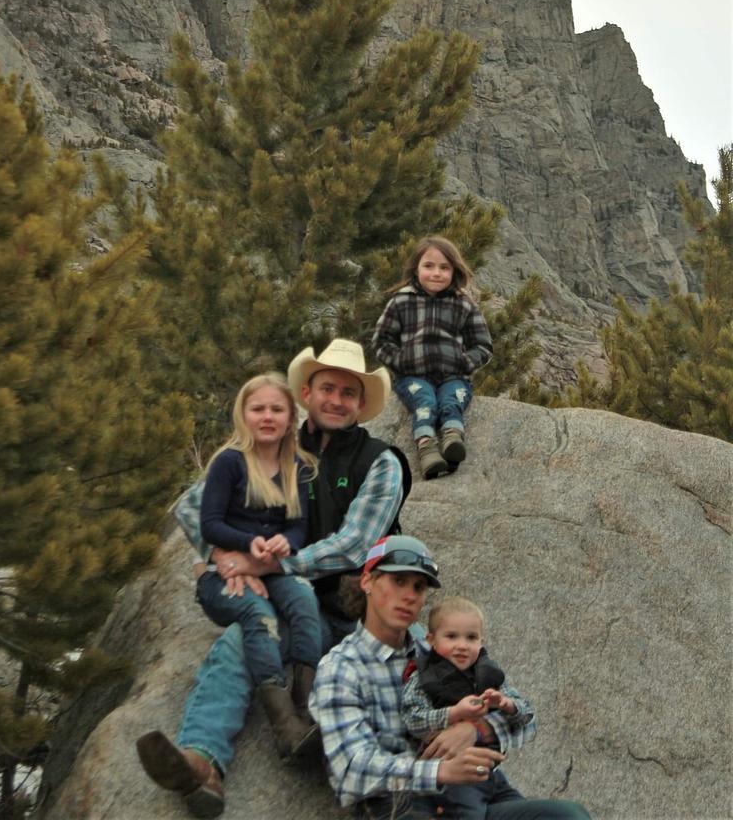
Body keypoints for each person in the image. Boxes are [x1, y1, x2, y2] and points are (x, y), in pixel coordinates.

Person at [136, 338, 411, 818]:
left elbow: (356, 543)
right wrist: (223, 555)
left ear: (361, 403)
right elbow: (193, 505)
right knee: (241, 641)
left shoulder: (380, 461)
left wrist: (270, 566)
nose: (336, 400)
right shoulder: (272, 443)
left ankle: (379, 785)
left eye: (348, 392)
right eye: (327, 389)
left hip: (350, 612)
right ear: (307, 393)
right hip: (289, 601)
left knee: (409, 674)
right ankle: (201, 763)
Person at [310, 534, 593, 820]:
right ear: (367, 582)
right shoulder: (341, 668)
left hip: (478, 790)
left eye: (418, 587)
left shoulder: (441, 648)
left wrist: (476, 730)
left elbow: (527, 721)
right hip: (404, 804)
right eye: (398, 581)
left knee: (570, 816)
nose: (409, 595)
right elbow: (351, 771)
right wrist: (440, 770)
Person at [196, 373, 320, 758]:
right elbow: (209, 523)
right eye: (258, 409)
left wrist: (288, 542)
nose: (267, 417)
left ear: (290, 417)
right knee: (259, 615)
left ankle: (305, 707)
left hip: (272, 566)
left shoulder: (297, 466)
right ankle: (284, 724)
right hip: (223, 576)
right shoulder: (229, 463)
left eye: (277, 409)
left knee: (305, 603)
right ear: (243, 414)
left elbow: (299, 525)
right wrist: (246, 543)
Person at [402, 596, 540, 818]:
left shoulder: (489, 675)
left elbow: (528, 716)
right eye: (451, 636)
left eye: (471, 637)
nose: (462, 646)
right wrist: (453, 713)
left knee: (527, 811)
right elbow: (412, 720)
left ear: (481, 642)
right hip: (454, 778)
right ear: (431, 640)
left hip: (492, 775)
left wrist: (508, 705)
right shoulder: (422, 677)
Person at [372, 235, 492, 480]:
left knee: (452, 401)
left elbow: (482, 345)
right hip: (412, 377)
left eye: (444, 268)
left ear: (454, 271)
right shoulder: (401, 301)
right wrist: (401, 361)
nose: (436, 273)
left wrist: (464, 362)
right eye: (429, 266)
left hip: (453, 376)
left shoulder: (463, 304)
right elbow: (381, 342)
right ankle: (427, 449)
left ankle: (452, 439)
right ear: (416, 269)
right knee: (424, 402)